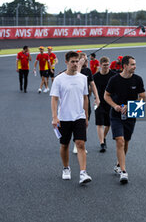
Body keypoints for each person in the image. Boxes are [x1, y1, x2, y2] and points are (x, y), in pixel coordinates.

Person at [50, 51, 92, 185]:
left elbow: (85, 97)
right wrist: (55, 117)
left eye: (77, 61)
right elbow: (54, 99)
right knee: (64, 145)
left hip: (79, 116)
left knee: (80, 144)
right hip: (64, 118)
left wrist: (86, 116)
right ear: (66, 62)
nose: (75, 64)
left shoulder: (83, 78)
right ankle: (66, 168)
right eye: (72, 61)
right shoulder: (59, 79)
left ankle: (83, 173)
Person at [104, 55, 146, 184]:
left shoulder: (138, 79)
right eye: (132, 64)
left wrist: (131, 105)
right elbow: (106, 96)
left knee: (126, 142)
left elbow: (143, 97)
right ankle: (123, 171)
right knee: (120, 141)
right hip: (116, 114)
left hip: (131, 113)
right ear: (125, 66)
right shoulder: (114, 80)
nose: (135, 66)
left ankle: (118, 164)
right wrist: (115, 106)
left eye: (134, 64)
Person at [72, 52, 100, 154]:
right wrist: (79, 65)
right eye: (83, 59)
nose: (86, 61)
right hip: (75, 99)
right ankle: (76, 143)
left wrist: (97, 98)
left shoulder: (88, 71)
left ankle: (81, 143)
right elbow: (76, 79)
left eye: (86, 60)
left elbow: (92, 84)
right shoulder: (74, 70)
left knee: (85, 123)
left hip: (85, 100)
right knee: (76, 122)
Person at [93, 56, 116, 152]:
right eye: (104, 65)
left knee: (108, 124)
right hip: (99, 102)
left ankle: (104, 137)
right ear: (100, 65)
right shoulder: (95, 76)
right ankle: (102, 143)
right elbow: (91, 88)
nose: (106, 67)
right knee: (99, 123)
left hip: (110, 102)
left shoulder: (113, 75)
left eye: (108, 65)